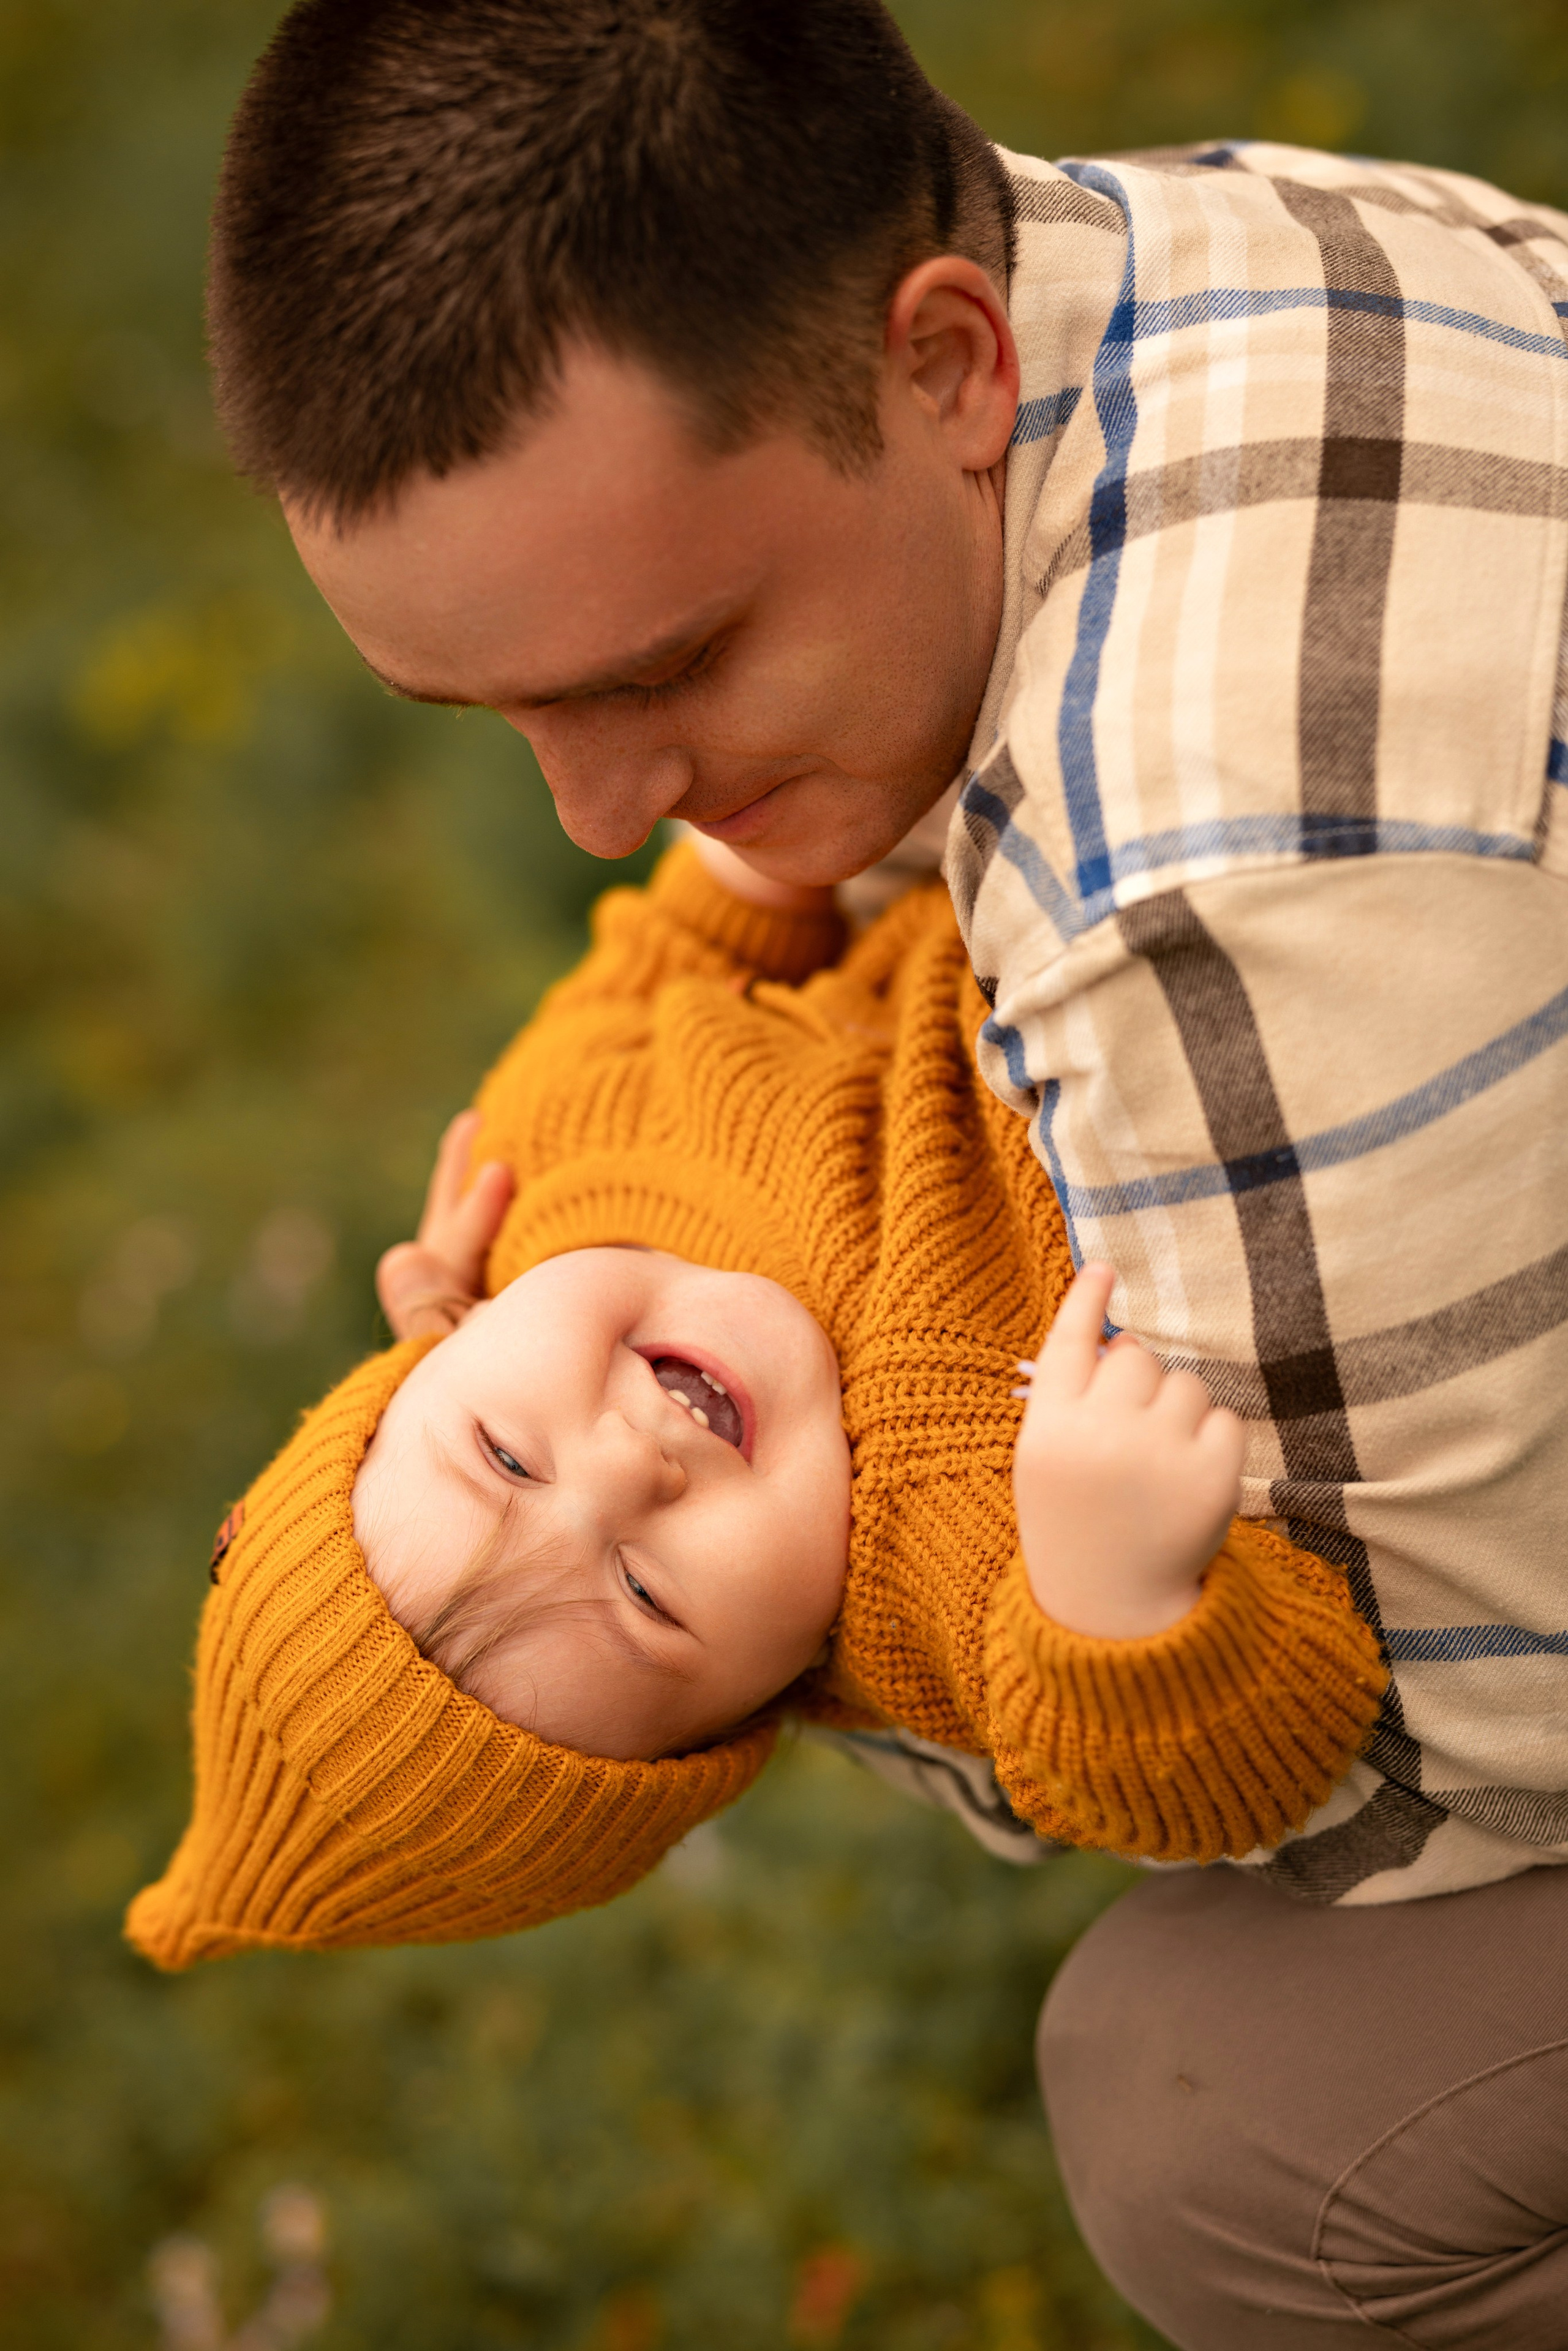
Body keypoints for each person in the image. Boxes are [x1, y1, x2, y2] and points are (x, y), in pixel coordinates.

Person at [186, 1, 1568, 2335]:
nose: (601, 815)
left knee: (1203, 2115)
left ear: (941, 366)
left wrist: (887, 1678)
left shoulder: (1189, 925)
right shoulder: (1165, 246)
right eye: (500, 708)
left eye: (672, 658)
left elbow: (1491, 1768)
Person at [128, 842, 1381, 1968]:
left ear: (442, 1343)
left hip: (1029, 867)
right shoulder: (937, 1572)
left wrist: (750, 859)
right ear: (769, 1705)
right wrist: (1116, 1607)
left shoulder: (551, 1152)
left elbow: (681, 945)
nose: (627, 1471)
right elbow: (1212, 1782)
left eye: (503, 1455)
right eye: (645, 1594)